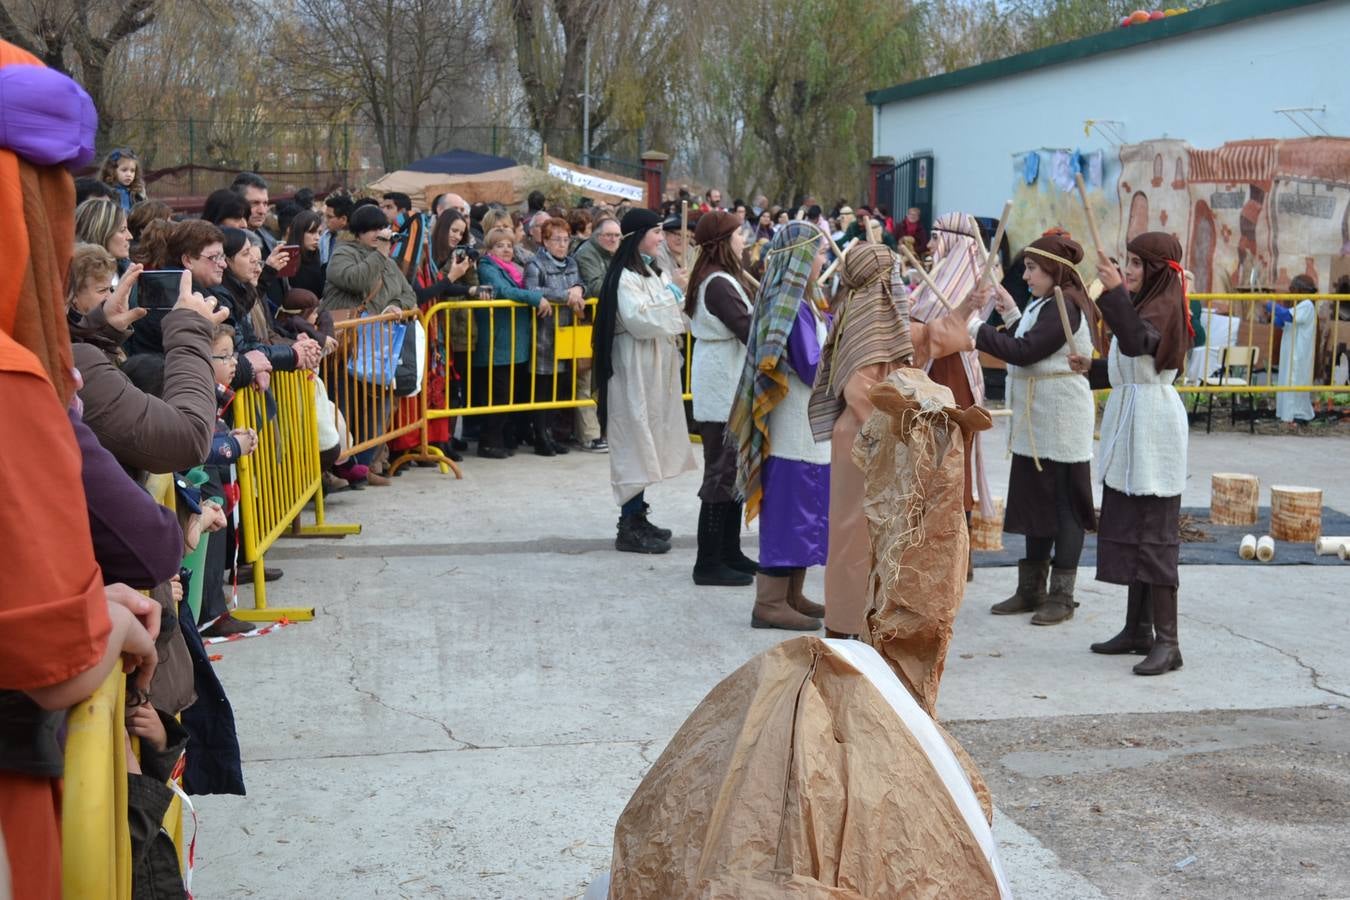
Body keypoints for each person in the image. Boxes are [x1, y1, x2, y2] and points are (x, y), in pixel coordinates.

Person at [807, 242, 984, 638]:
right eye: (893, 276)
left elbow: (931, 337)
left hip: (885, 433)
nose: (900, 284)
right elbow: (859, 391)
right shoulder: (864, 322)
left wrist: (969, 306)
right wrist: (905, 426)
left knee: (885, 531)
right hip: (866, 436)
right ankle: (845, 626)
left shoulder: (882, 317)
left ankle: (872, 620)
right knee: (855, 533)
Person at [1068, 233, 1191, 676]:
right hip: (1134, 425)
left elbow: (1141, 344)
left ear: (1157, 269)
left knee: (1155, 534)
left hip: (1154, 430)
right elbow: (1131, 367)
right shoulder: (1144, 306)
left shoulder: (1164, 306)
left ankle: (1169, 642)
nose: (1131, 270)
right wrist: (1094, 369)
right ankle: (1137, 630)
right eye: (1128, 262)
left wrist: (1115, 292)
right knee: (1135, 526)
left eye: (1138, 264)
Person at [971, 231, 1099, 625]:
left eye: (1031, 268)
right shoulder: (1044, 303)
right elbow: (1029, 339)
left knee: (1064, 507)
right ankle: (1031, 589)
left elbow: (1026, 353)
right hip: (1037, 422)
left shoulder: (1068, 305)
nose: (1025, 277)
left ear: (1054, 271)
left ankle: (1061, 597)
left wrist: (977, 328)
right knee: (1037, 502)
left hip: (1060, 421)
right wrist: (1010, 314)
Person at [729, 221, 832, 629]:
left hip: (805, 425)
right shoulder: (787, 306)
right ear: (802, 258)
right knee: (790, 510)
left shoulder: (801, 302)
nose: (823, 259)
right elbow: (811, 365)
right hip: (793, 427)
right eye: (818, 252)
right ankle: (769, 603)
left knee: (804, 508)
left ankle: (791, 594)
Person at [593, 208, 695, 552]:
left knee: (647, 439)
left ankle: (639, 515)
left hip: (653, 367)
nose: (660, 238)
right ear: (637, 237)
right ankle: (628, 524)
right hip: (632, 366)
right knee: (634, 442)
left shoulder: (651, 272)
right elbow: (639, 320)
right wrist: (676, 294)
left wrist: (681, 290)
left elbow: (676, 315)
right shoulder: (624, 276)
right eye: (654, 232)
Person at [909, 212, 996, 553]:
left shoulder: (964, 277)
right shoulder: (960, 274)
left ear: (954, 239)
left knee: (948, 459)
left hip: (949, 376)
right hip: (943, 373)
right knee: (936, 458)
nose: (930, 245)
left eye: (935, 236)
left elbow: (928, 325)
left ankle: (952, 552)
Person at [687, 211, 757, 587]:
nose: (743, 240)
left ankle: (729, 551)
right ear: (723, 240)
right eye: (738, 234)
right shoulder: (716, 282)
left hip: (725, 375)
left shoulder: (721, 277)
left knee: (733, 469)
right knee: (720, 470)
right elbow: (748, 328)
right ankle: (708, 561)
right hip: (720, 382)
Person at [473, 226, 551, 458]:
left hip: (515, 339)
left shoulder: (516, 268)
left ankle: (504, 439)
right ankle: (488, 441)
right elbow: (503, 291)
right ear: (490, 249)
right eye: (500, 245)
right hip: (499, 339)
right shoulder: (487, 267)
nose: (506, 249)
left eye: (509, 245)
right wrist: (535, 298)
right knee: (499, 393)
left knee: (509, 394)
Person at [523, 217, 585, 456]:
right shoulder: (535, 264)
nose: (562, 244)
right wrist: (565, 295)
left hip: (567, 330)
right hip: (544, 334)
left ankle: (553, 432)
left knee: (560, 386)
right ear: (545, 241)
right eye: (556, 239)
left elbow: (580, 284)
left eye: (565, 239)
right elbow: (531, 290)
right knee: (543, 386)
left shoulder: (571, 263)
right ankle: (540, 435)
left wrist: (579, 289)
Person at [573, 214, 621, 452]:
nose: (613, 240)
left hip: (608, 325)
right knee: (586, 379)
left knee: (606, 381)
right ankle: (590, 435)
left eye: (616, 235)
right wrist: (627, 285)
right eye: (608, 235)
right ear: (597, 235)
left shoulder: (617, 254)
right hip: (586, 323)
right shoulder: (587, 253)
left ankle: (607, 431)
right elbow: (596, 286)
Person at [1270, 274, 1317, 424]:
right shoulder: (1297, 305)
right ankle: (1286, 415)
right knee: (1286, 380)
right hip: (1289, 353)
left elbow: (1288, 316)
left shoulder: (1307, 305)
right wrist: (1276, 314)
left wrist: (1269, 304)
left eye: (1294, 290)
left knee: (1295, 381)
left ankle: (1297, 416)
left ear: (1301, 290)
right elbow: (1281, 322)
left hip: (1298, 353)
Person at [285, 208, 327, 297]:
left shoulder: (315, 254)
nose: (317, 238)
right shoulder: (286, 258)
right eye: (312, 232)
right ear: (299, 232)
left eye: (319, 233)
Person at [99, 147, 146, 213]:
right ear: (112, 171)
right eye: (124, 170)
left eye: (132, 171)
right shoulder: (106, 191)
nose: (129, 174)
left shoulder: (138, 191)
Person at [321, 193, 353, 264]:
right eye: (325, 217)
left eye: (329, 217)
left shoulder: (356, 242)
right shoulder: (325, 237)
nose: (326, 221)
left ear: (343, 219)